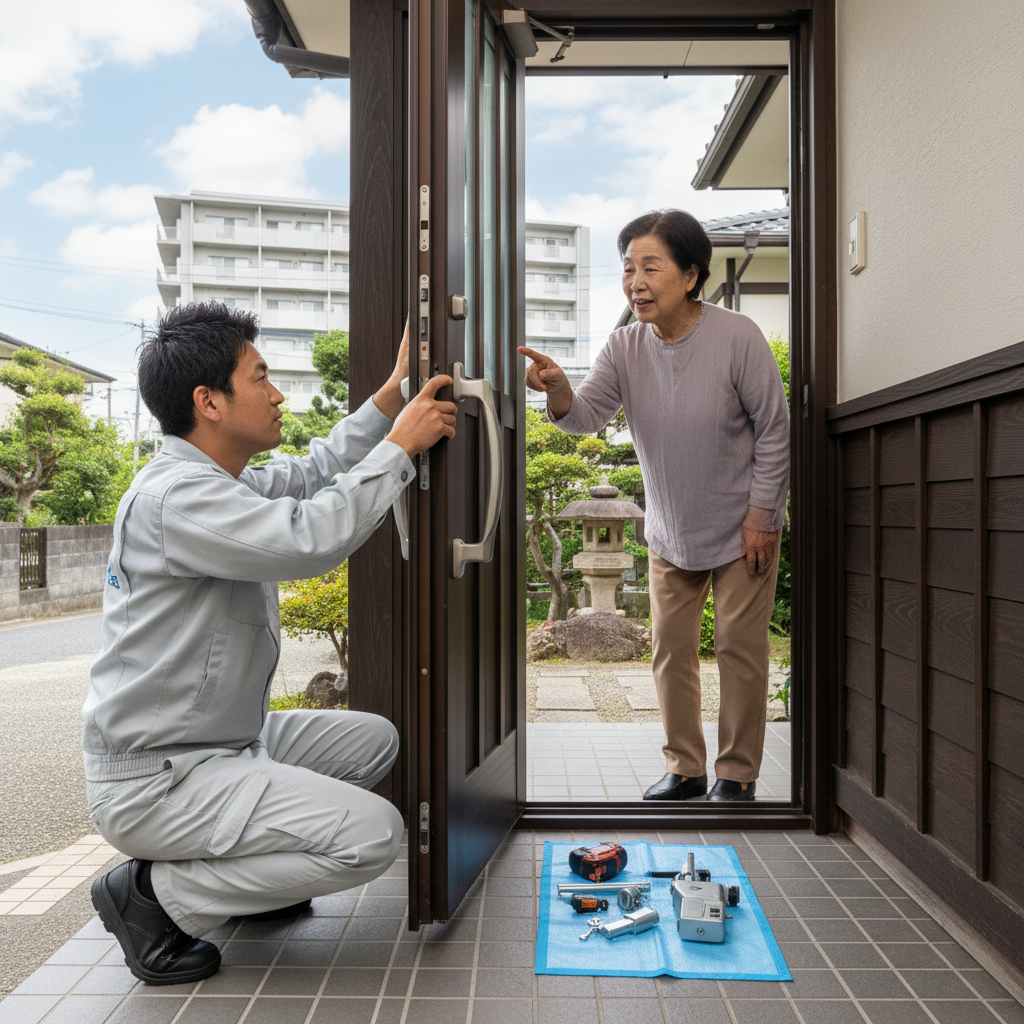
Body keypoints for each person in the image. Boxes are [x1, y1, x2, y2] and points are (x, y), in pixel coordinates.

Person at [84, 302, 455, 985]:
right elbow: (308, 538)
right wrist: (401, 449)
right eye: (261, 377)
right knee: (373, 835)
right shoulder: (177, 499)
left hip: (219, 745)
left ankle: (245, 880)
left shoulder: (220, 481)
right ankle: (157, 901)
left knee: (374, 739)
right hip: (160, 779)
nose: (278, 393)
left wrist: (391, 396)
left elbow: (312, 472)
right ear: (209, 402)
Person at [520, 209, 789, 804]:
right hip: (670, 529)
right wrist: (561, 387)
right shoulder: (624, 347)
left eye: (650, 266)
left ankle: (737, 775)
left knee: (739, 652)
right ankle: (686, 768)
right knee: (671, 652)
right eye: (627, 268)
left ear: (691, 275)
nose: (635, 281)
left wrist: (763, 519)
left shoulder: (737, 337)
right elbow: (585, 416)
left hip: (744, 527)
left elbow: (774, 430)